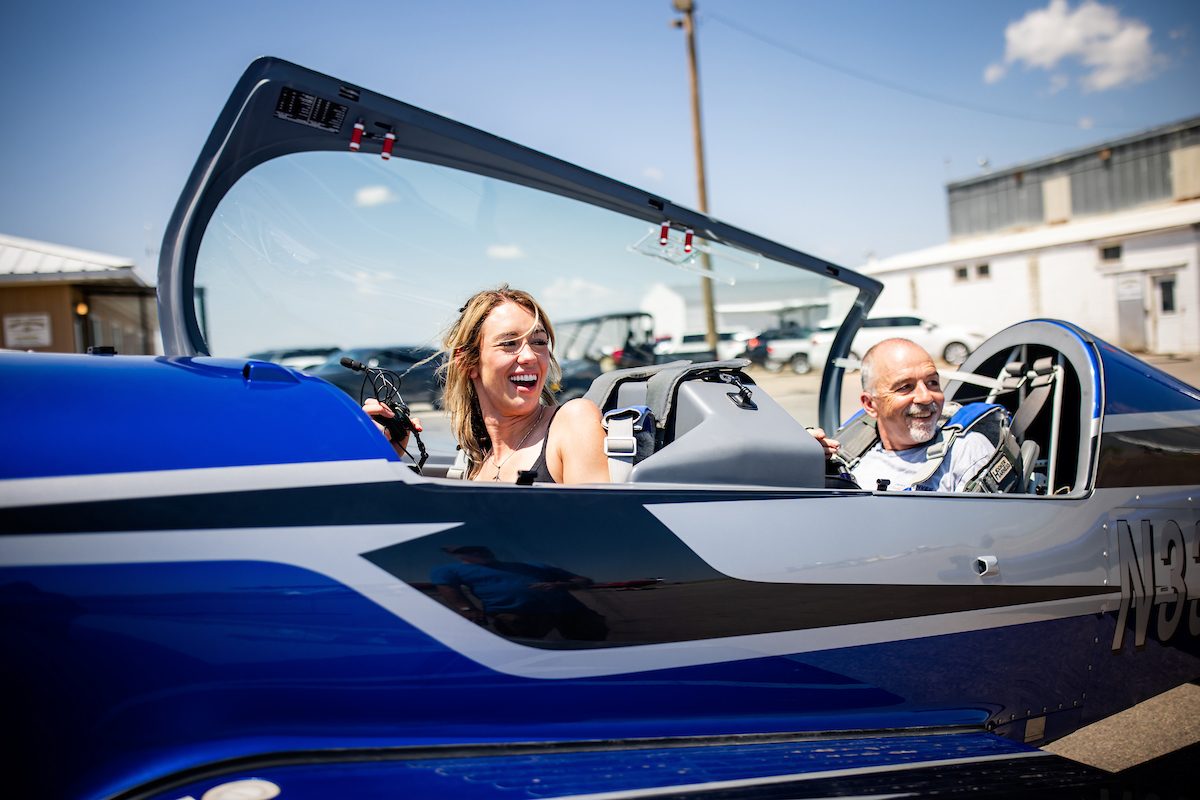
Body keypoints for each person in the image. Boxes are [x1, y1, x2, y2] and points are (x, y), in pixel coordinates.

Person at [366, 285, 611, 484]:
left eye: (539, 342)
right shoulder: (473, 462)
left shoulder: (573, 420)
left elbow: (600, 536)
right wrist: (383, 457)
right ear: (467, 362)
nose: (529, 356)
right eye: (509, 343)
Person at [811, 338, 996, 492]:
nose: (925, 397)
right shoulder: (845, 456)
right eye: (905, 387)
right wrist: (803, 463)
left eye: (932, 382)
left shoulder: (966, 451)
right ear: (870, 405)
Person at [432, 545, 608, 641]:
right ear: (455, 554)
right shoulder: (449, 570)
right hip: (515, 616)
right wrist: (467, 609)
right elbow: (447, 587)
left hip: (571, 612)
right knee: (526, 654)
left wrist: (560, 585)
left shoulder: (535, 566)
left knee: (593, 645)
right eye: (467, 550)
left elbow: (585, 581)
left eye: (481, 549)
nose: (477, 552)